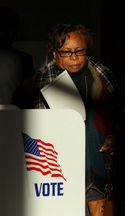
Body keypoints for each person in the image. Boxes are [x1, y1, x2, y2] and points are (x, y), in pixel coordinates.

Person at [33, 23, 125, 216]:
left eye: (79, 51)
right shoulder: (43, 80)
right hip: (59, 161)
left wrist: (113, 136)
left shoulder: (103, 75)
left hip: (100, 159)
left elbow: (120, 114)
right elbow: (36, 125)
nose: (74, 57)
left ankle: (95, 200)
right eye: (66, 52)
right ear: (55, 53)